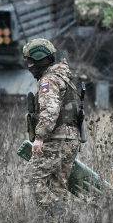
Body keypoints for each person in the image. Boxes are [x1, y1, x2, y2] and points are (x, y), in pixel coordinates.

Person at [22, 38, 80, 213]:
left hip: (56, 138)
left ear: (40, 60)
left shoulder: (49, 80)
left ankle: (66, 219)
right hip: (70, 139)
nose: (29, 66)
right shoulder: (64, 77)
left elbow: (51, 109)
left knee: (31, 181)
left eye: (31, 62)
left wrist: (39, 137)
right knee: (58, 188)